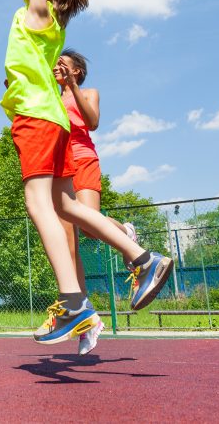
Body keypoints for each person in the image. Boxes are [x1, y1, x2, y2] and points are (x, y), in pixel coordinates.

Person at [0, 0, 173, 347]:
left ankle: (73, 303)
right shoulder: (53, 26)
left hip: (37, 117)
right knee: (64, 206)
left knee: (40, 205)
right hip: (53, 120)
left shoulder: (38, 15)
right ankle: (141, 257)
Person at [53, 49, 140, 354]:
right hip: (58, 167)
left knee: (89, 223)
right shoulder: (51, 96)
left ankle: (124, 231)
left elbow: (92, 122)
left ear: (76, 71)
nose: (56, 68)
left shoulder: (88, 91)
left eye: (62, 65)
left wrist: (71, 88)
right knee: (68, 245)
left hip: (83, 159)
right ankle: (86, 316)